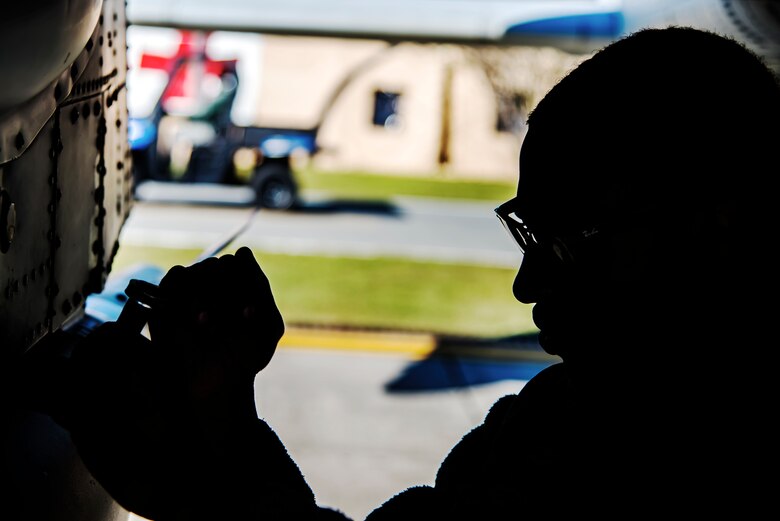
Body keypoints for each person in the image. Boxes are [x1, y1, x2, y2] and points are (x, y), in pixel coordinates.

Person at [63, 26, 779, 519]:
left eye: (566, 237)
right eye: (528, 234)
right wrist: (224, 414)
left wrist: (217, 424)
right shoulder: (587, 409)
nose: (525, 285)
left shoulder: (606, 445)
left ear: (716, 222)